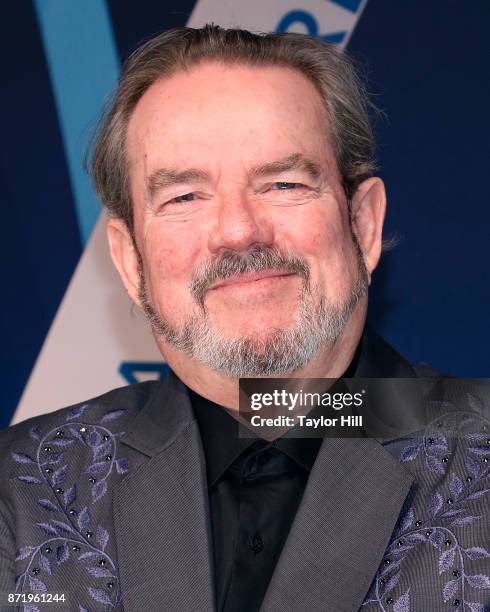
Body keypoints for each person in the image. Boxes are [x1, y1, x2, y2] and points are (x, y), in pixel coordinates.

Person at [1, 25, 489, 612]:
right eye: (183, 197)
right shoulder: (20, 492)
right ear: (130, 262)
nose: (238, 231)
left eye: (283, 183)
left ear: (363, 226)